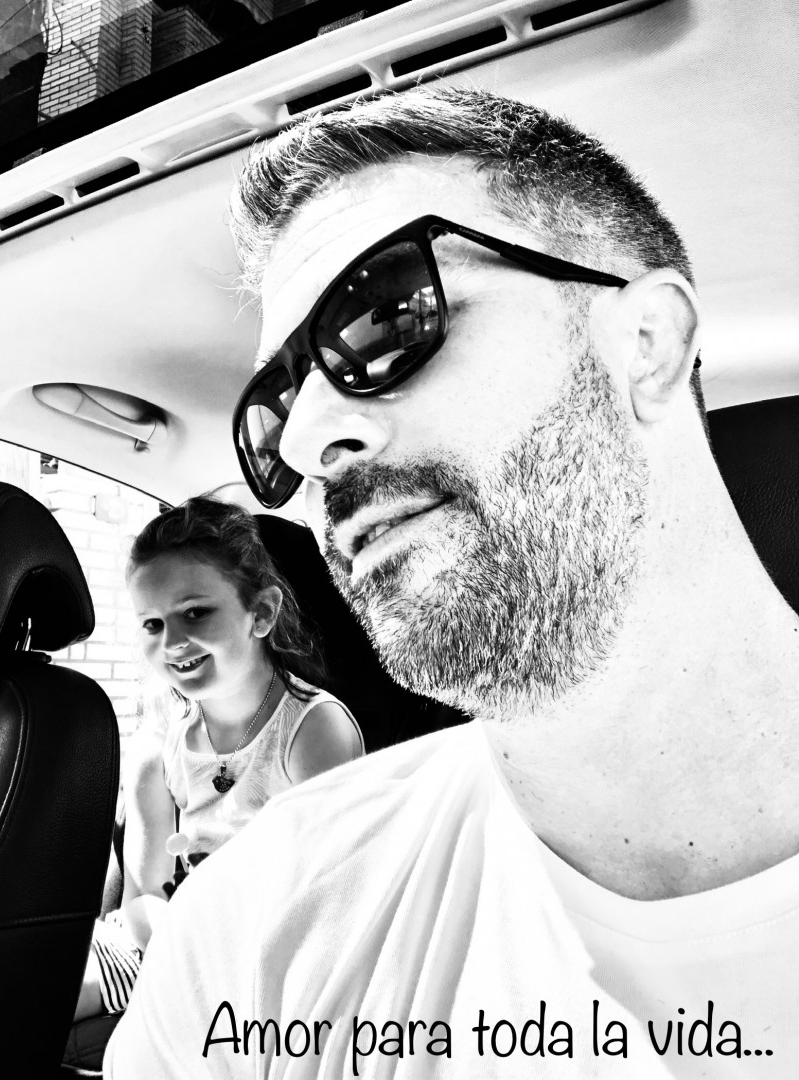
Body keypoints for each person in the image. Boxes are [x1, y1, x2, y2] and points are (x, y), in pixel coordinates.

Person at [105, 87, 799, 1078]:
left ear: (646, 342)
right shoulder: (260, 920)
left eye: (385, 318)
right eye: (276, 411)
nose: (304, 443)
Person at [78, 495, 363, 1021]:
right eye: (152, 624)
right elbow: (141, 895)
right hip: (156, 945)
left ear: (262, 613)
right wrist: (171, 942)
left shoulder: (312, 732)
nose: (173, 642)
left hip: (264, 963)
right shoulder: (161, 741)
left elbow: (332, 903)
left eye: (195, 612)